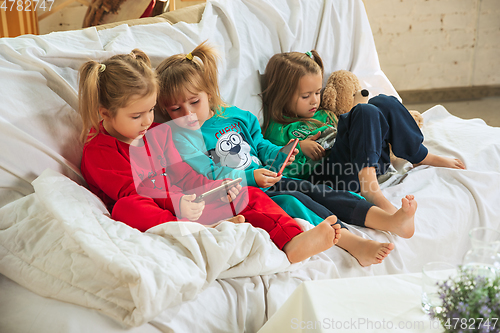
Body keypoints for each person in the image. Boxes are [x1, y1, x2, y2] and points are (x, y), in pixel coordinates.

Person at [154, 42, 416, 267]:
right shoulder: (182, 138)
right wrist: (252, 177)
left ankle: (389, 220)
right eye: (176, 109)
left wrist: (281, 153)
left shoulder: (234, 116)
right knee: (296, 203)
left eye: (194, 102)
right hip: (248, 191)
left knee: (325, 193)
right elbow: (209, 174)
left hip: (272, 178)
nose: (187, 113)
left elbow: (260, 145)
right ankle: (353, 243)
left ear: (208, 94)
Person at [77, 49, 341, 264]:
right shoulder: (100, 152)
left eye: (151, 111)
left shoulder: (157, 133)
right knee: (128, 208)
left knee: (246, 193)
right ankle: (205, 228)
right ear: (105, 113)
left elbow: (183, 172)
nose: (148, 121)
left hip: (189, 202)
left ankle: (292, 239)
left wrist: (216, 189)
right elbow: (135, 190)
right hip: (159, 211)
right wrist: (179, 204)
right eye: (137, 116)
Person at [261, 50, 466, 215]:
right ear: (282, 95)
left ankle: (419, 155)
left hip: (370, 161)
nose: (315, 100)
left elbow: (353, 127)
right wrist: (298, 147)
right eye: (306, 96)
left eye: (317, 92)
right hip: (335, 178)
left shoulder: (324, 114)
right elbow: (276, 169)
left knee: (383, 102)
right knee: (364, 110)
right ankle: (370, 188)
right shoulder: (277, 129)